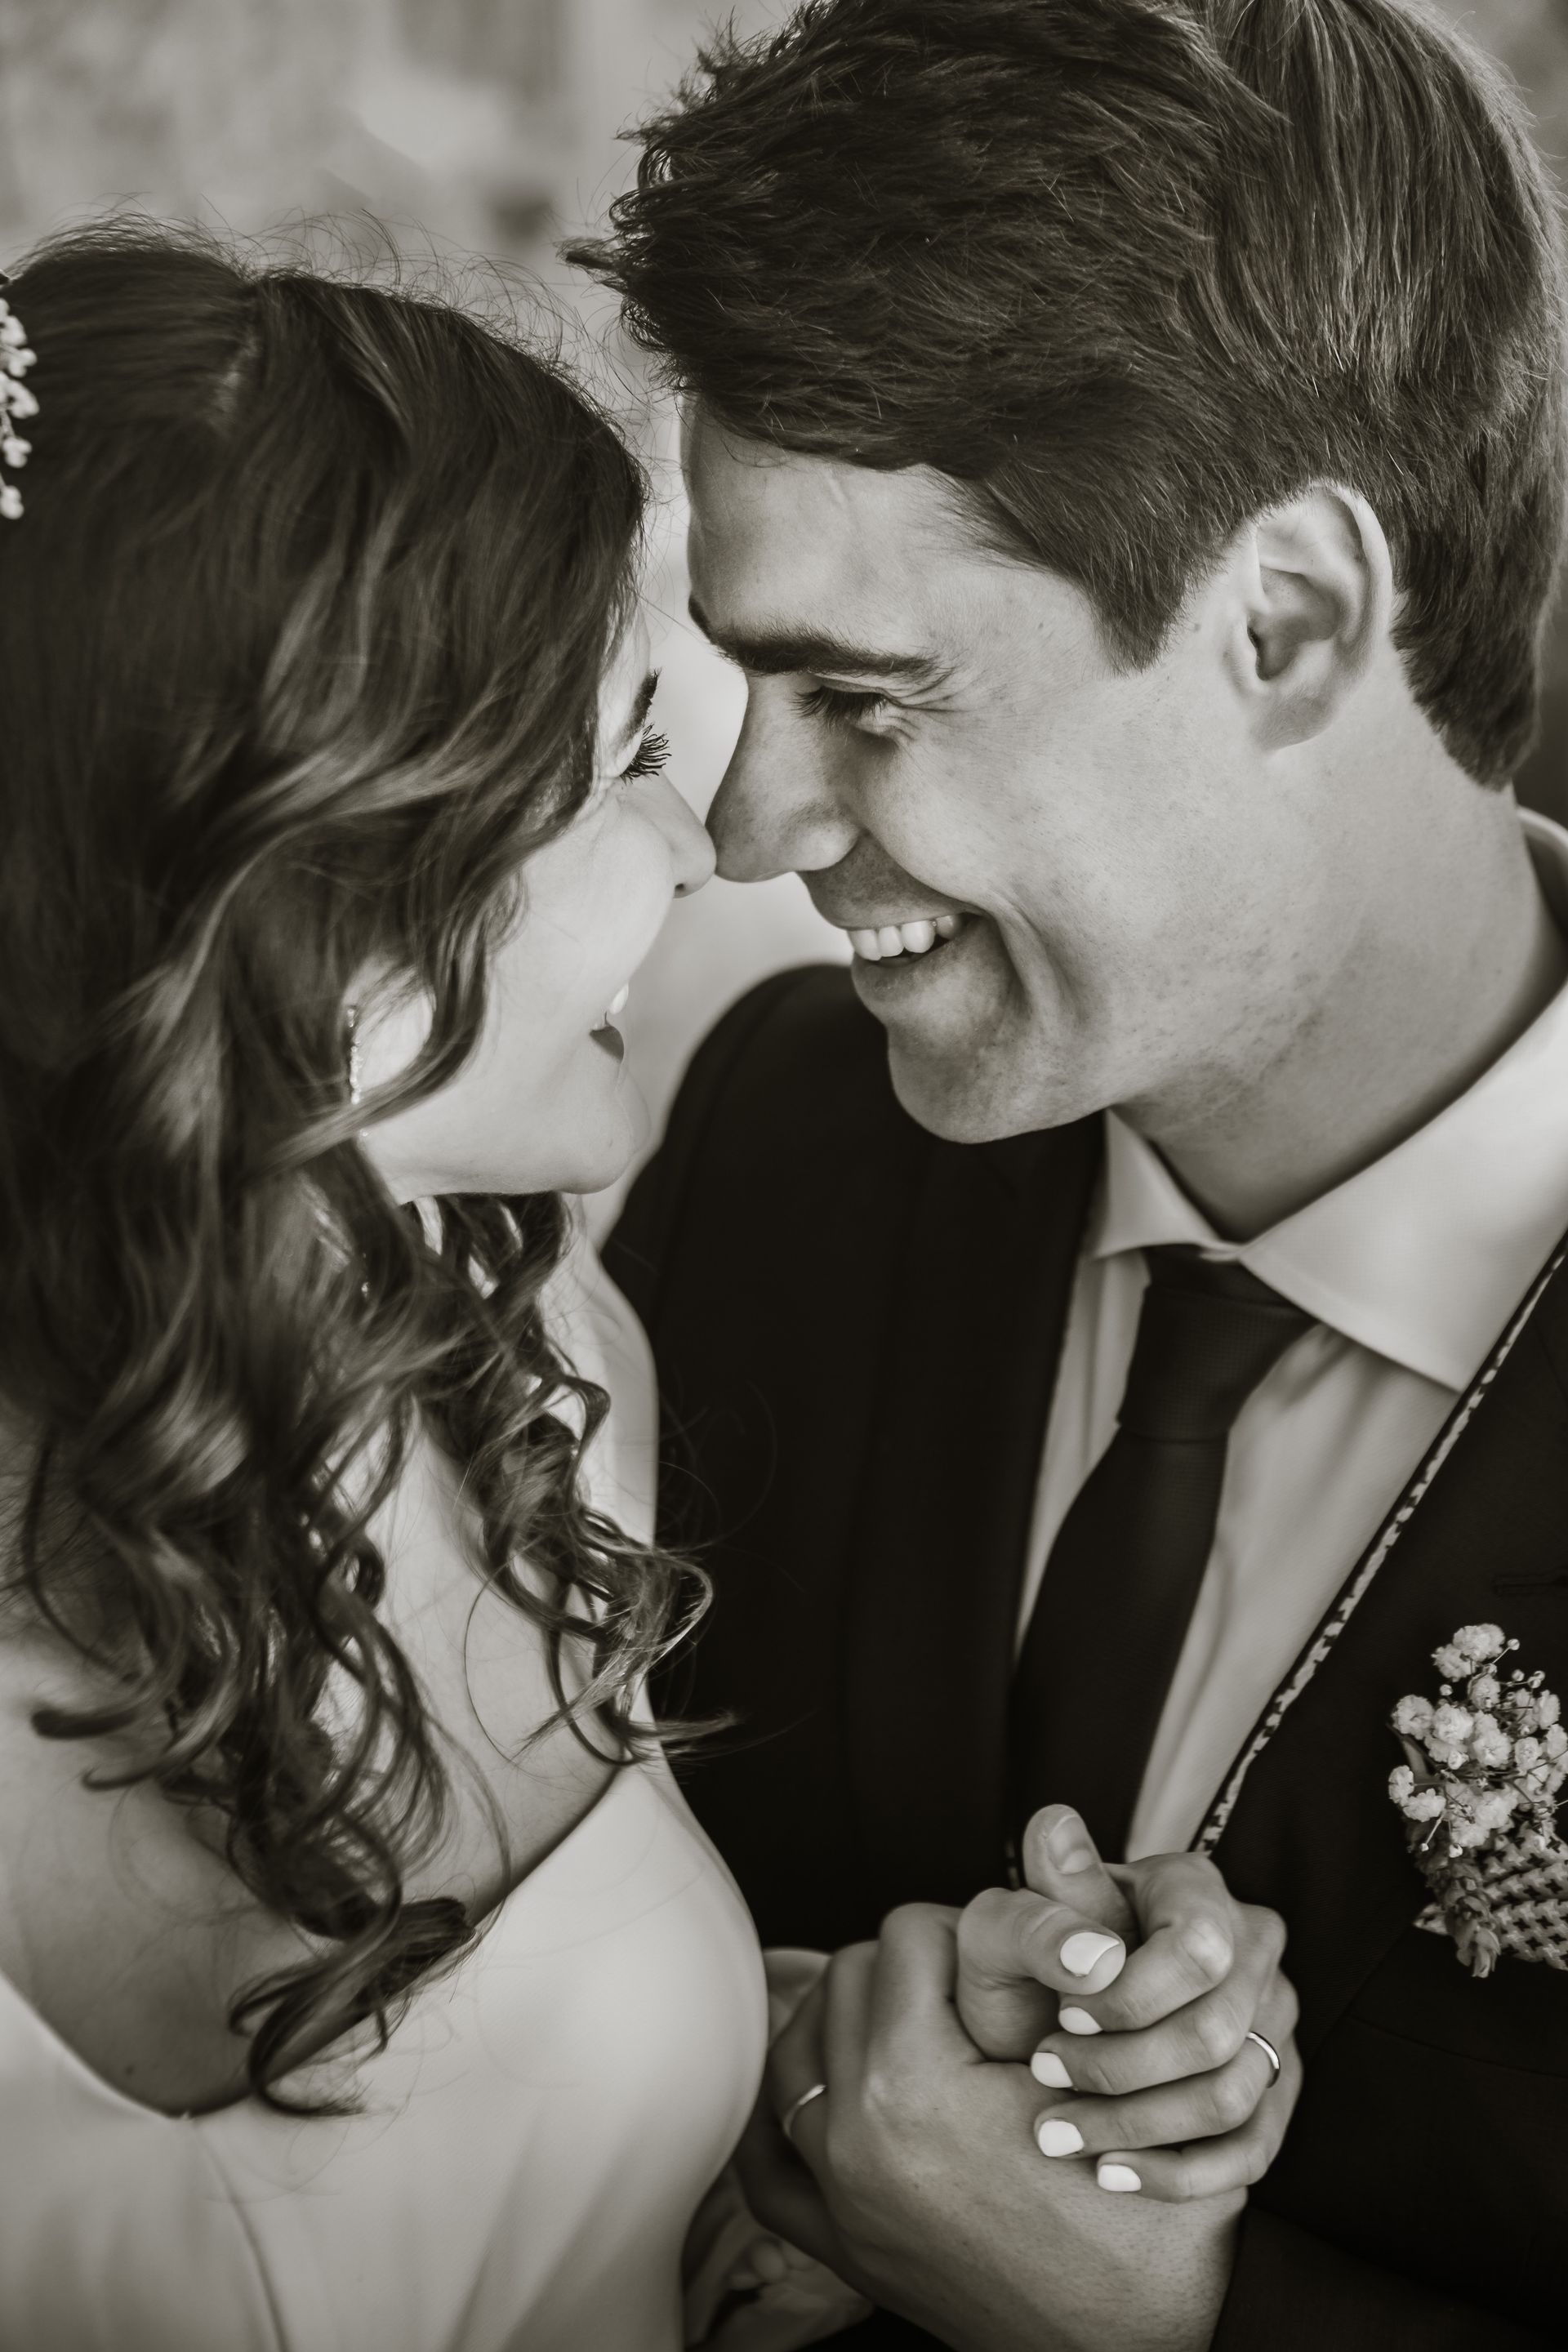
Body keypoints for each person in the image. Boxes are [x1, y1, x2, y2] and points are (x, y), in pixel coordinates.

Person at [577, 0, 1568, 2345]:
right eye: (748, 692)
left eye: (868, 701)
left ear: (1289, 622)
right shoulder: (785, 1141)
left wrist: (1161, 2326)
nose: (749, 840)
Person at [0, 218, 757, 2352]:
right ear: (316, 888)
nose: (706, 849)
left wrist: (780, 2129)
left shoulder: (542, 1378)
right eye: (622, 759)